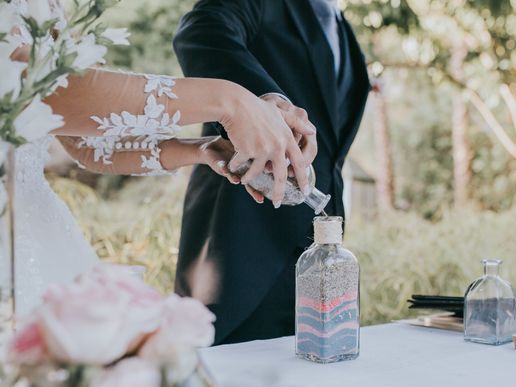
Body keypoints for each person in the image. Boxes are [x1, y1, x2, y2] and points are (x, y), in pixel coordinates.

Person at [8, 0, 317, 316]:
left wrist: (199, 148)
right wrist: (230, 101)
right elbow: (43, 93)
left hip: (38, 231)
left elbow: (87, 143)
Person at [173, 0, 371, 344]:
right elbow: (201, 31)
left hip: (318, 257)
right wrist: (261, 102)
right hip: (240, 244)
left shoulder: (341, 26)